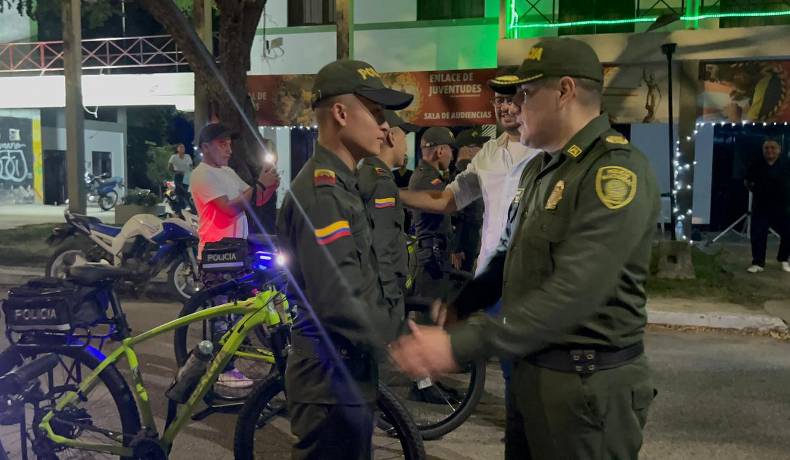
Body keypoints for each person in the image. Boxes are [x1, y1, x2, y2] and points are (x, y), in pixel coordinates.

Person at [390, 38, 660, 460]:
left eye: (526, 93)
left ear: (565, 92)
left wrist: (457, 346)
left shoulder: (614, 172)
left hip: (584, 389)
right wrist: (466, 303)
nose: (515, 105)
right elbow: (511, 252)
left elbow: (575, 290)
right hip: (533, 377)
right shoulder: (542, 168)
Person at [276, 59, 412, 459]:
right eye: (376, 112)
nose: (385, 127)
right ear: (340, 113)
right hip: (328, 382)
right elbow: (342, 300)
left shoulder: (347, 184)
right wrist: (404, 344)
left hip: (346, 371)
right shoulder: (323, 193)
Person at [190, 123, 280, 388]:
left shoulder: (228, 172)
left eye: (230, 143)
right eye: (222, 144)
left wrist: (269, 185)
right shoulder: (202, 175)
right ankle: (223, 368)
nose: (229, 149)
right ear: (205, 147)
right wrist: (258, 185)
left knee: (243, 311)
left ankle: (235, 357)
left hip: (237, 252)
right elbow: (229, 209)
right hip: (217, 254)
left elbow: (255, 200)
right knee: (221, 316)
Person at [358, 110, 418, 333]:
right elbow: (381, 244)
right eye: (405, 138)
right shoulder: (382, 183)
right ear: (392, 137)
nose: (407, 148)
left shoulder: (366, 172)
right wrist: (390, 296)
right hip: (383, 292)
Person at [409, 127, 455, 301]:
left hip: (434, 254)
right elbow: (450, 203)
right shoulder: (427, 179)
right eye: (451, 150)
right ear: (440, 151)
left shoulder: (428, 175)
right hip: (431, 258)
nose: (451, 155)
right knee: (429, 312)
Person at [745, 138, 790, 273]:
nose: (770, 150)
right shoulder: (756, 164)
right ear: (763, 150)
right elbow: (747, 181)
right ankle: (758, 263)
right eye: (767, 148)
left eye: (773, 148)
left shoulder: (786, 164)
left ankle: (784, 259)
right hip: (761, 205)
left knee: (788, 232)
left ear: (779, 150)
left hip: (783, 205)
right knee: (758, 234)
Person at [449, 128, 490, 273]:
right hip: (465, 248)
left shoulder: (462, 172)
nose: (482, 149)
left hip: (468, 244)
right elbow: (462, 215)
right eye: (479, 146)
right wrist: (458, 247)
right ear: (469, 149)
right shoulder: (465, 174)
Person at [169, 143, 193, 209]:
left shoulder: (187, 156)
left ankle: (192, 209)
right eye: (181, 147)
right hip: (178, 176)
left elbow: (190, 166)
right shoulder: (174, 157)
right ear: (177, 149)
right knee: (179, 193)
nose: (183, 148)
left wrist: (189, 172)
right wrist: (177, 171)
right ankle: (180, 209)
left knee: (187, 192)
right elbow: (169, 167)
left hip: (186, 176)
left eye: (184, 147)